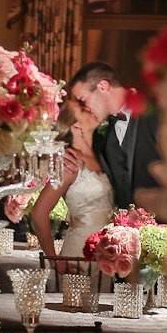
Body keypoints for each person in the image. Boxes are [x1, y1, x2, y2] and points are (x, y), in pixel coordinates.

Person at [67, 61, 161, 209]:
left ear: (103, 87)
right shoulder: (101, 135)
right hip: (123, 226)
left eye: (83, 100)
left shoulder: (156, 112)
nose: (84, 108)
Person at [31, 98, 114, 258]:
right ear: (75, 125)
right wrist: (52, 258)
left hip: (108, 254)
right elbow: (38, 214)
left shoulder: (103, 157)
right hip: (79, 252)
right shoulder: (69, 164)